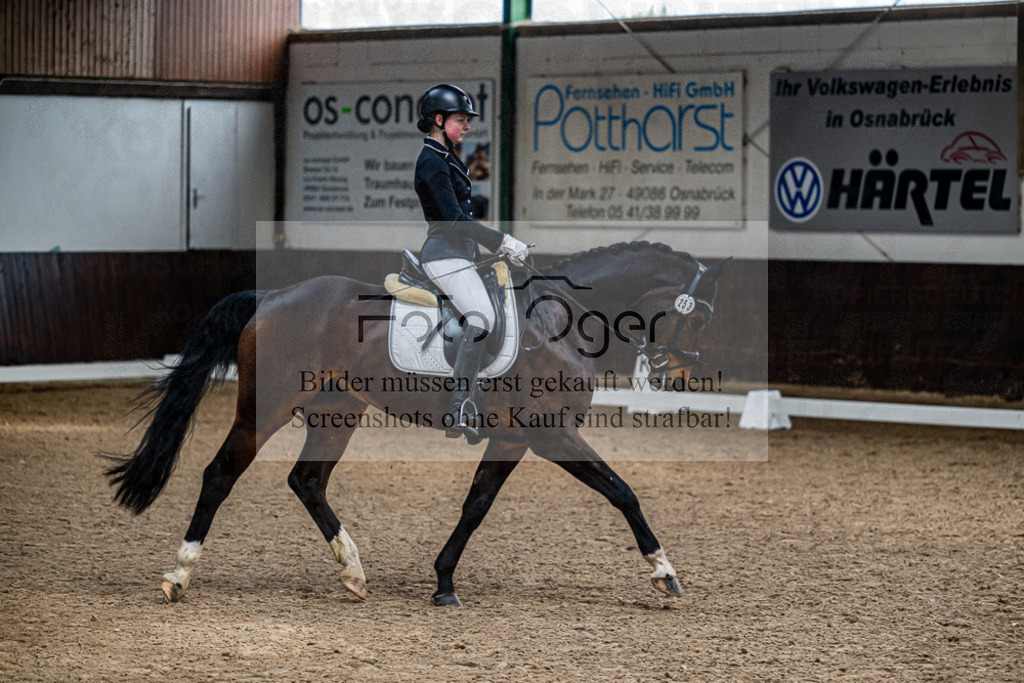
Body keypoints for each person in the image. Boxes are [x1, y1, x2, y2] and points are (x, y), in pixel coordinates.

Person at [414, 83, 529, 440]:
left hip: (461, 255)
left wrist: (491, 251)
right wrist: (503, 241)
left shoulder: (447, 157)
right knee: (482, 319)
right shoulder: (432, 161)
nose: (466, 126)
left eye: (466, 120)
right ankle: (460, 405)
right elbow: (453, 219)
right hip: (444, 254)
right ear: (438, 119)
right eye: (460, 120)